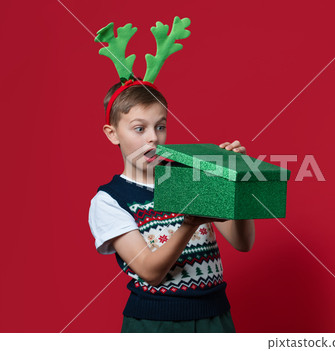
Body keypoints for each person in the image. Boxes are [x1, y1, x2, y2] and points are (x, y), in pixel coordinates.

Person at [88, 80, 255, 332]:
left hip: (216, 318)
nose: (154, 137)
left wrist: (235, 178)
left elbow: (243, 243)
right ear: (113, 134)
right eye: (139, 129)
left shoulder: (189, 175)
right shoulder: (110, 200)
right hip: (156, 325)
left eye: (160, 126)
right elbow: (150, 271)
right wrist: (190, 223)